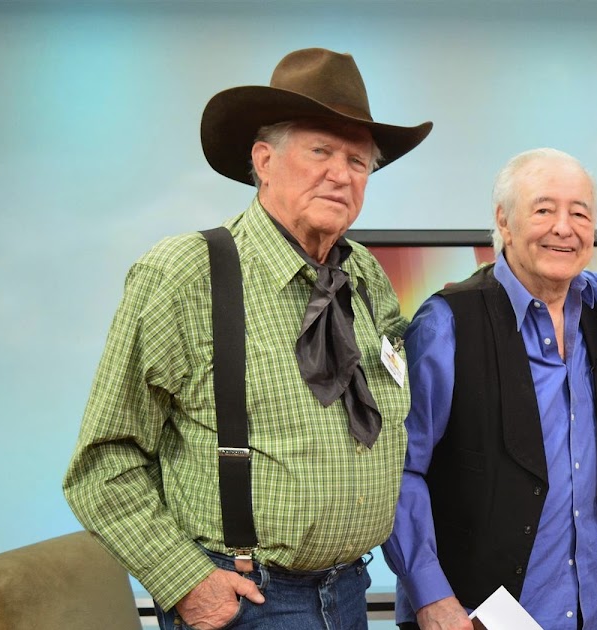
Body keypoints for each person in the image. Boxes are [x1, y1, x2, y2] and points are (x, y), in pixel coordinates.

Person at [63, 48, 432, 630]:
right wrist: (183, 580)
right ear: (264, 159)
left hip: (350, 592)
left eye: (358, 161)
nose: (341, 173)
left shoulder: (366, 276)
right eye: (321, 151)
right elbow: (104, 461)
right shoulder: (183, 273)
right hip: (247, 603)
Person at [383, 148, 597, 630]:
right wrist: (431, 598)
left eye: (580, 212)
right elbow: (398, 469)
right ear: (504, 220)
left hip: (589, 614)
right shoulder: (447, 322)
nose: (564, 227)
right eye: (543, 209)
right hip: (470, 619)